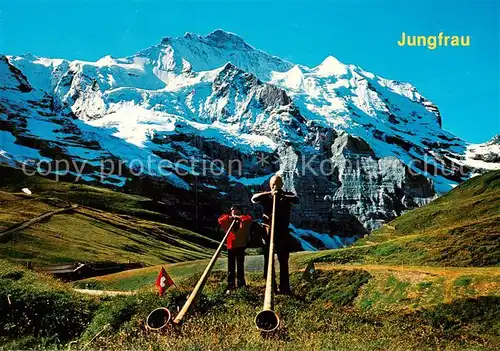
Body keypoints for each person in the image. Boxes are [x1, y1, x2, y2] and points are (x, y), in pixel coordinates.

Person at [251, 174, 299, 295]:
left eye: (277, 184)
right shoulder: (266, 196)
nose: (274, 186)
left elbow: (296, 199)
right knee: (268, 261)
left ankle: (285, 288)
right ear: (269, 185)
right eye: (272, 184)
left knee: (283, 261)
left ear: (282, 185)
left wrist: (281, 195)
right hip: (268, 233)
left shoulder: (287, 196)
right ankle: (271, 287)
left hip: (282, 233)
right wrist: (269, 194)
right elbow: (254, 198)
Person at [218, 205, 252, 292]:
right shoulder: (229, 219)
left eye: (237, 210)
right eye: (233, 211)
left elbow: (248, 220)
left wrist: (239, 218)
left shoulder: (245, 218)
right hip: (231, 247)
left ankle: (241, 285)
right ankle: (231, 284)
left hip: (241, 246)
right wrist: (231, 218)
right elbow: (221, 220)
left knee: (240, 266)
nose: (235, 212)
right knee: (231, 267)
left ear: (240, 211)